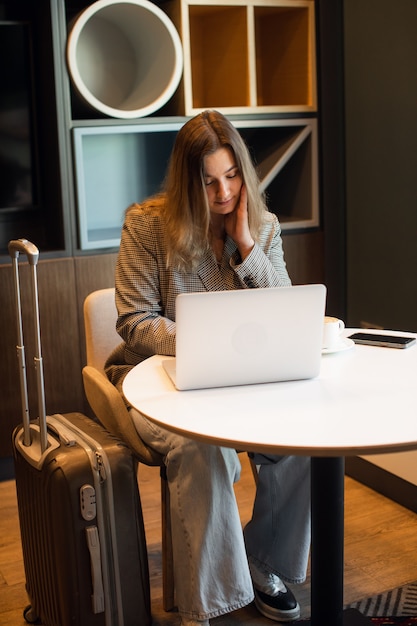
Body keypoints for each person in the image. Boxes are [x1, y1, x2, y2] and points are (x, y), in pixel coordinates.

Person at [105, 110, 311, 625]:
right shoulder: (147, 225)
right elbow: (133, 321)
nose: (223, 193)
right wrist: (203, 343)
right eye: (208, 182)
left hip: (238, 384)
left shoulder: (262, 228)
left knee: (306, 437)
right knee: (201, 447)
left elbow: (282, 312)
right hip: (159, 382)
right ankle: (212, 605)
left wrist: (244, 244)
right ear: (185, 181)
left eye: (232, 176)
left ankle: (263, 562)